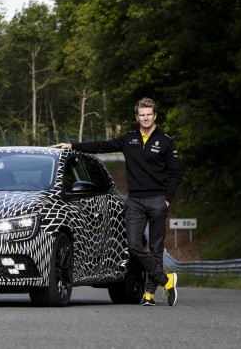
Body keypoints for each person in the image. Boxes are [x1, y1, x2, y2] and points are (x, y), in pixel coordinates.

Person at [51, 97, 182, 306]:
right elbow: (102, 146)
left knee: (156, 248)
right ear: (137, 117)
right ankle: (167, 280)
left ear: (155, 116)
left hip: (158, 199)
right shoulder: (129, 138)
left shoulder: (166, 140)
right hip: (135, 201)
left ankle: (149, 293)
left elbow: (176, 173)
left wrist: (167, 199)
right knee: (133, 246)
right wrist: (72, 146)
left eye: (149, 114)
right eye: (142, 115)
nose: (146, 118)